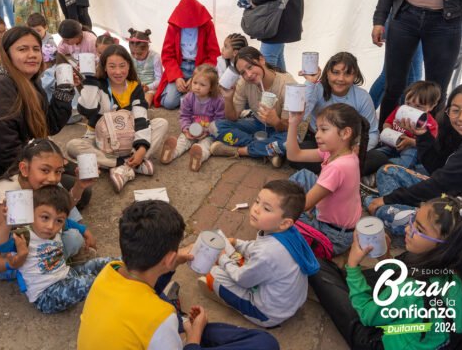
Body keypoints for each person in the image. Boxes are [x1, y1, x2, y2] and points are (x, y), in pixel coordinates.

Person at [77, 200, 281, 350]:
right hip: (157, 324)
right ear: (168, 258)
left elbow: (144, 288)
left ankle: (181, 321)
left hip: (135, 325)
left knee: (169, 312)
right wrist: (194, 336)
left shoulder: (110, 269)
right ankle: (186, 326)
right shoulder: (160, 317)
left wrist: (173, 262)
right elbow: (161, 318)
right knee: (265, 343)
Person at [310, 196, 462, 349]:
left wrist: (352, 265)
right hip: (424, 335)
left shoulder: (410, 288)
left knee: (317, 267)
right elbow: (406, 278)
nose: (408, 228)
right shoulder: (459, 272)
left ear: (444, 247)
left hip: (380, 342)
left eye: (419, 229)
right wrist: (386, 259)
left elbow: (367, 315)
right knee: (370, 276)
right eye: (413, 220)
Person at [0, 26, 76, 195]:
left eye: (36, 49)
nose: (32, 54)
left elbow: (49, 126)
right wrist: (47, 168)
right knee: (74, 192)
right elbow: (7, 152)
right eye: (22, 49)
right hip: (0, 174)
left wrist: (64, 91)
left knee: (78, 172)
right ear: (7, 54)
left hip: (25, 157)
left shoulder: (30, 81)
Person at [0, 139, 97, 281]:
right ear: (24, 169)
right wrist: (13, 262)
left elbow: (61, 208)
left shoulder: (42, 182)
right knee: (72, 240)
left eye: (58, 171)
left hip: (26, 236)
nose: (53, 178)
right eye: (45, 170)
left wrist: (79, 186)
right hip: (2, 254)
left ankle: (50, 265)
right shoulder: (6, 201)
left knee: (72, 236)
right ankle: (45, 272)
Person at [197, 180, 318, 328]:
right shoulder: (289, 232)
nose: (256, 209)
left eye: (266, 208)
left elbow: (242, 280)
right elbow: (258, 247)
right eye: (257, 201)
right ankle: (235, 267)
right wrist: (236, 242)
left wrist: (222, 258)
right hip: (291, 302)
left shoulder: (267, 253)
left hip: (268, 314)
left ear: (285, 223)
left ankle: (220, 292)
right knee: (243, 261)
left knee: (215, 274)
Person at [373, 0, 462, 125]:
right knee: (393, 85)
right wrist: (379, 20)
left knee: (437, 89)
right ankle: (385, 136)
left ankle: (430, 144)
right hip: (405, 17)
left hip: (446, 22)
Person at [366, 82, 462, 228]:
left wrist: (388, 199)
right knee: (387, 170)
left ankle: (383, 205)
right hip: (446, 194)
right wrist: (422, 135)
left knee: (385, 210)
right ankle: (408, 208)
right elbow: (436, 168)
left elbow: (441, 183)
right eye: (455, 110)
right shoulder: (454, 133)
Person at [0, 184, 110, 314]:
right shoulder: (25, 234)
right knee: (90, 282)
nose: (51, 226)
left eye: (58, 220)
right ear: (31, 214)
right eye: (45, 217)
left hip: (66, 275)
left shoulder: (58, 228)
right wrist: (7, 223)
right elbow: (0, 244)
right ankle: (118, 297)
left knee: (103, 263)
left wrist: (85, 231)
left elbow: (69, 223)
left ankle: (129, 270)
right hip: (46, 295)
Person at [66, 44, 169, 192]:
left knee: (161, 123)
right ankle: (125, 164)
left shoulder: (135, 86)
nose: (118, 71)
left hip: (130, 137)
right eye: (112, 66)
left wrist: (141, 149)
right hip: (100, 139)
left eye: (122, 66)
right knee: (73, 146)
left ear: (129, 65)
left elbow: (140, 119)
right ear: (104, 67)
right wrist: (89, 80)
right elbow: (87, 110)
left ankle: (132, 160)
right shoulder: (97, 84)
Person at [287, 103, 369, 255]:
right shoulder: (339, 152)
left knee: (283, 221)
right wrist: (293, 123)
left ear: (345, 133)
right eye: (318, 129)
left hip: (333, 236)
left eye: (324, 130)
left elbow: (304, 205)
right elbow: (294, 155)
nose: (317, 134)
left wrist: (277, 210)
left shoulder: (338, 167)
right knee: (303, 175)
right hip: (340, 225)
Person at [293, 52, 386, 177]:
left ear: (355, 76)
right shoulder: (317, 89)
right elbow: (301, 116)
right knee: (295, 154)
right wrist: (310, 83)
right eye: (336, 72)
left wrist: (358, 148)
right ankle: (341, 175)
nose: (341, 79)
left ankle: (328, 174)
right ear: (327, 73)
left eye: (348, 73)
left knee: (379, 158)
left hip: (349, 147)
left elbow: (373, 132)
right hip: (321, 145)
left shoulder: (362, 97)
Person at [209, 46, 295, 168]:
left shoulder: (288, 85)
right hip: (258, 125)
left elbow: (287, 127)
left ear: (261, 60)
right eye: (243, 72)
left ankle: (240, 151)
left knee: (288, 143)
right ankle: (266, 150)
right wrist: (227, 98)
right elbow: (232, 118)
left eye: (250, 67)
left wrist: (275, 121)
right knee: (214, 127)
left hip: (281, 130)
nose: (248, 74)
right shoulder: (244, 83)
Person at [368, 0, 423, 110]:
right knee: (410, 76)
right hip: (404, 19)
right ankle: (369, 115)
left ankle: (366, 114)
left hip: (394, 18)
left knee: (390, 74)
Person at [153, 0, 220, 109]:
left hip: (200, 67)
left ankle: (188, 97)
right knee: (169, 103)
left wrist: (196, 77)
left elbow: (213, 53)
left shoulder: (207, 25)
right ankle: (186, 96)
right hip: (179, 67)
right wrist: (177, 77)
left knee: (204, 98)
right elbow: (167, 55)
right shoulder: (174, 26)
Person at [160, 64, 224, 172]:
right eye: (195, 83)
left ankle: (198, 157)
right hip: (191, 129)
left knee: (205, 145)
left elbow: (220, 120)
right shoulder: (189, 97)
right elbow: (184, 115)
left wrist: (208, 131)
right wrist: (186, 129)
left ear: (211, 87)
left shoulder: (218, 100)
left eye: (202, 85)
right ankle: (171, 154)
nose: (197, 87)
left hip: (208, 133)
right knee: (183, 141)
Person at [376, 80, 441, 169]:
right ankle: (385, 165)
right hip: (392, 145)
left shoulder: (431, 124)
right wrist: (388, 132)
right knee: (376, 154)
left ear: (431, 106)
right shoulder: (399, 110)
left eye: (418, 106)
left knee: (408, 159)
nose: (411, 109)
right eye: (408, 103)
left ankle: (389, 168)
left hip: (411, 149)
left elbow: (428, 144)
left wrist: (410, 141)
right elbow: (387, 123)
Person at [128, 28, 162, 107]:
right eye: (133, 53)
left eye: (139, 54)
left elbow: (159, 79)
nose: (136, 56)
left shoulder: (155, 57)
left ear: (147, 48)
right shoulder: (130, 57)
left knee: (146, 101)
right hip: (134, 86)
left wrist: (148, 87)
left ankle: (142, 111)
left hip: (150, 87)